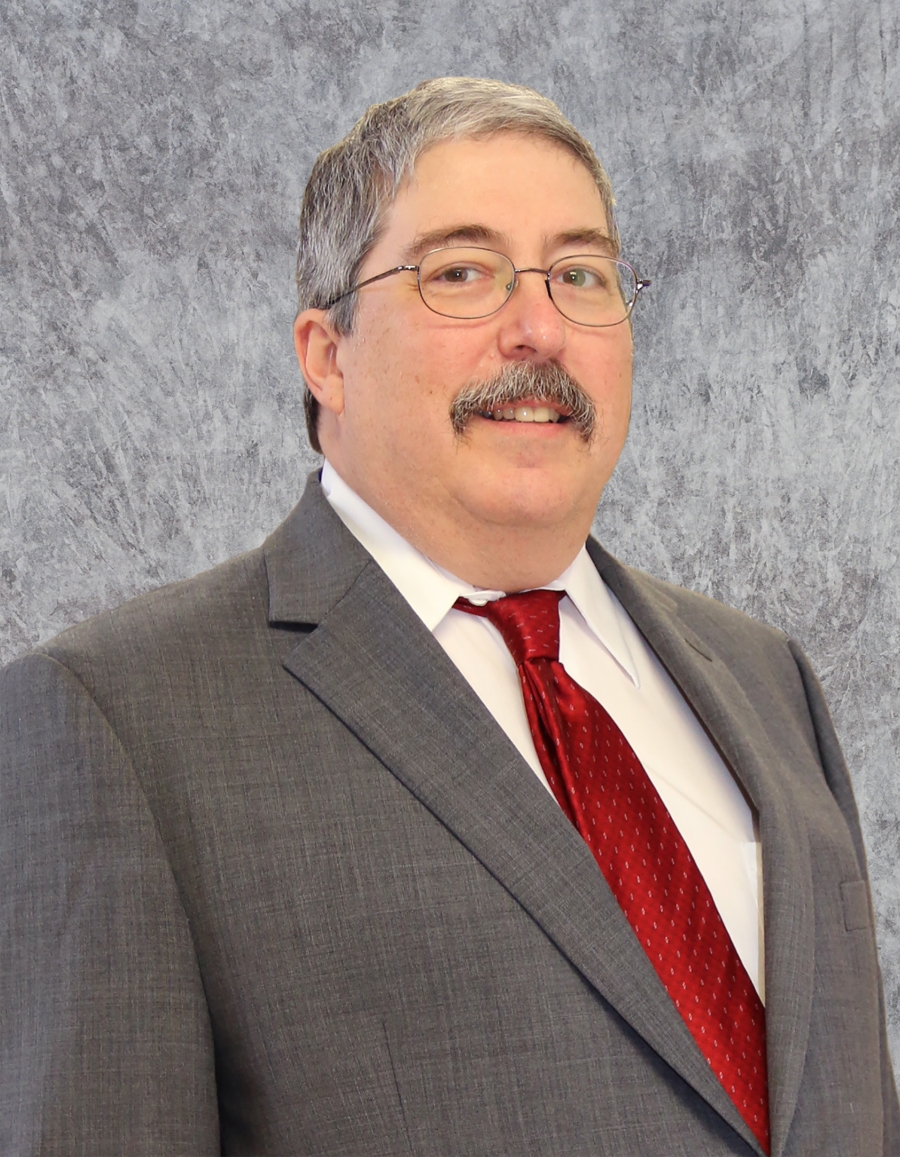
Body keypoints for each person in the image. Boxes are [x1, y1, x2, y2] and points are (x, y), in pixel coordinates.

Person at [0, 77, 896, 1156]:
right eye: (462, 272)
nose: (540, 327)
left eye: (581, 273)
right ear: (327, 354)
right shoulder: (121, 721)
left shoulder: (767, 678)